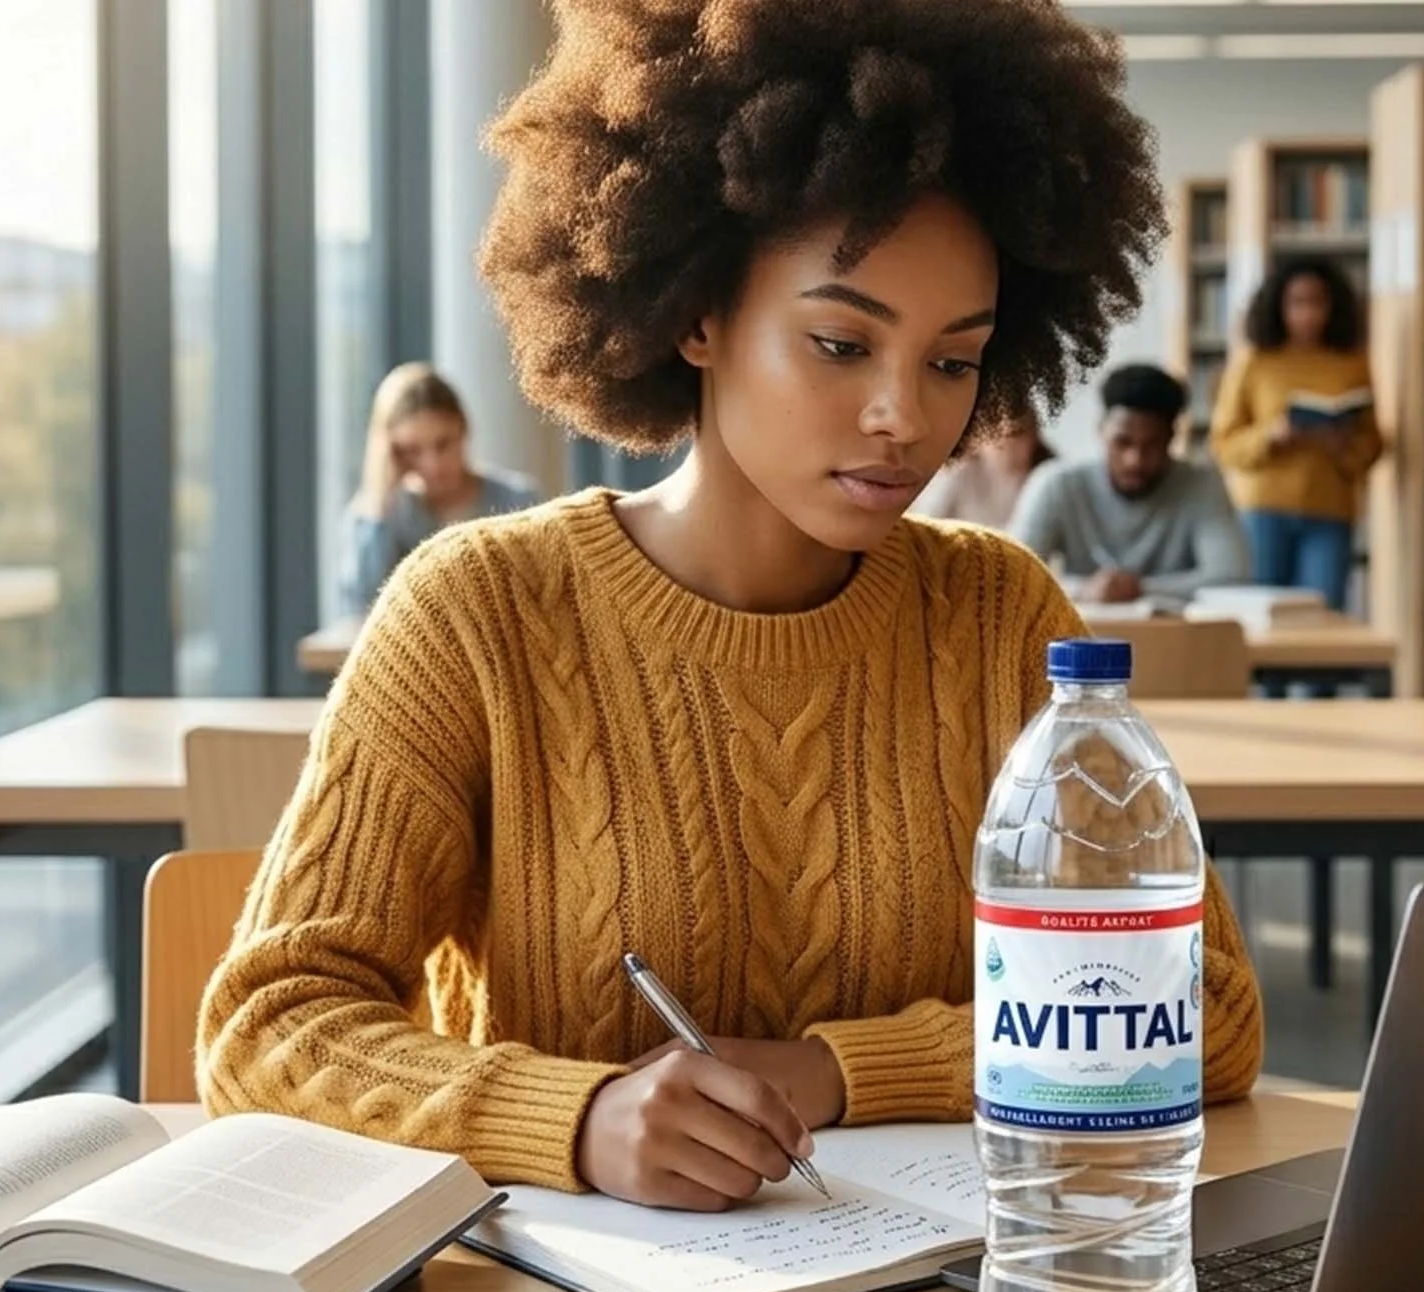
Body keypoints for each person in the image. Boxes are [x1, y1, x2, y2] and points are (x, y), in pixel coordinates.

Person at [199, 0, 1264, 1213]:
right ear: (696, 314)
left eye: (952, 360)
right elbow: (269, 1024)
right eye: (837, 343)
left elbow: (1205, 1006)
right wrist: (577, 1116)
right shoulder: (475, 613)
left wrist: (834, 1072)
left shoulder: (999, 612)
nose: (903, 417)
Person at [1210, 256, 1382, 611]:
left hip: (1330, 511)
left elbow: (1372, 444)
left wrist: (1341, 446)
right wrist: (1270, 437)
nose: (1308, 314)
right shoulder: (1256, 362)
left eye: (1318, 302)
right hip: (1263, 510)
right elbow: (1224, 443)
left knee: (1324, 610)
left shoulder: (1352, 364)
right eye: (1297, 302)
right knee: (1261, 610)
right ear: (1279, 305)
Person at [1011, 364, 1247, 603]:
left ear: (1171, 438)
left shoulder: (1202, 485)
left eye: (1151, 445)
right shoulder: (1056, 483)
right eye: (1122, 442)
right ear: (1101, 431)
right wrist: (1084, 589)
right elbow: (1016, 575)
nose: (1135, 460)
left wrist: (1139, 588)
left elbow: (1232, 576)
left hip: (1175, 636)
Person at [341, 363, 538, 614]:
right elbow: (360, 608)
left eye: (443, 444)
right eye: (413, 451)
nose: (433, 465)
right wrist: (379, 499)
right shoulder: (384, 516)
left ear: (463, 428)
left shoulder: (517, 502)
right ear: (393, 452)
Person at [913, 406, 1053, 530]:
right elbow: (921, 529)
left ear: (1033, 439)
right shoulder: (957, 472)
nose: (1006, 444)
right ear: (978, 439)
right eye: (997, 434)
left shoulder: (1049, 479)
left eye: (1016, 434)